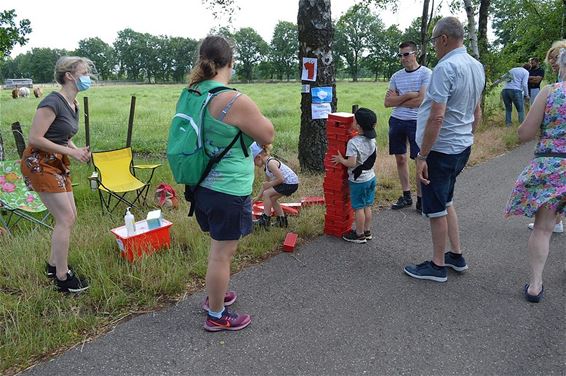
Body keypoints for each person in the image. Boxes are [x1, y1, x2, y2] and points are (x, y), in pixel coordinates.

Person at [183, 36, 274, 331]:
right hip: (228, 189)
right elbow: (268, 133)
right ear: (230, 63)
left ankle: (215, 295)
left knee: (217, 248)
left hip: (201, 185)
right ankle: (217, 313)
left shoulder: (193, 92)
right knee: (223, 253)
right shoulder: (233, 99)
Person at [404, 17, 485, 282]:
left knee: (436, 207)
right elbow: (476, 111)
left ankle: (437, 265)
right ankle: (456, 255)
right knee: (447, 199)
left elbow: (436, 116)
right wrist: (467, 137)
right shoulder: (476, 66)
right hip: (461, 146)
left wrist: (422, 155)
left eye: (435, 42)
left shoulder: (445, 67)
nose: (435, 47)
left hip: (441, 150)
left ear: (443, 39)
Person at [20, 56, 93, 293]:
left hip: (57, 162)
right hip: (40, 163)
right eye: (84, 72)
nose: (87, 77)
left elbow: (63, 134)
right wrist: (68, 152)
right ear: (70, 76)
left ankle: (53, 265)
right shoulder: (52, 101)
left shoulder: (73, 103)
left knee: (71, 214)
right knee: (65, 219)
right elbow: (35, 138)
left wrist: (76, 150)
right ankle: (63, 278)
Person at [504, 48, 566, 303]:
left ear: (561, 65)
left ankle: (535, 285)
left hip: (551, 165)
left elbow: (524, 133)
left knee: (542, 228)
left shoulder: (550, 91)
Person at [384, 41, 432, 213]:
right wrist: (410, 95)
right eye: (400, 55)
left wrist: (400, 99)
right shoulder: (396, 76)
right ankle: (406, 195)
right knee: (400, 159)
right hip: (397, 120)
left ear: (415, 53)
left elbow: (422, 101)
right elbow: (387, 102)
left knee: (419, 160)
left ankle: (421, 199)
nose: (403, 58)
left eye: (406, 54)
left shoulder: (426, 74)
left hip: (417, 121)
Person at [526, 40, 566, 234]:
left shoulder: (553, 89)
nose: (552, 62)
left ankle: (548, 222)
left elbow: (526, 131)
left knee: (553, 186)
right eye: (550, 58)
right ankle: (555, 221)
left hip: (554, 152)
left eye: (555, 57)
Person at [331, 108, 377, 244]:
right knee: (367, 205)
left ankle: (359, 234)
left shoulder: (353, 142)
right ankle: (367, 231)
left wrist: (341, 160)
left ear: (358, 126)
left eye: (354, 120)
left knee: (358, 208)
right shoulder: (372, 140)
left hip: (359, 181)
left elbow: (351, 163)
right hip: (371, 177)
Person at [251, 142, 299, 229]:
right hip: (288, 183)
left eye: (253, 161)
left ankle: (265, 220)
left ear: (258, 157)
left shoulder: (271, 163)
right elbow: (266, 184)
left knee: (267, 194)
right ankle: (282, 221)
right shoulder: (266, 167)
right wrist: (257, 197)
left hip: (290, 183)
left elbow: (280, 179)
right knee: (272, 199)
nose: (254, 165)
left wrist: (269, 184)